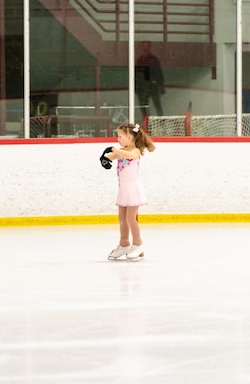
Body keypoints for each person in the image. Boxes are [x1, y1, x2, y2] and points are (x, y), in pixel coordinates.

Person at [102, 122, 156, 260]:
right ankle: (124, 243)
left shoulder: (135, 151)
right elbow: (109, 157)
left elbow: (129, 155)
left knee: (131, 218)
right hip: (123, 189)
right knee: (122, 218)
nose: (118, 139)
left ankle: (138, 244)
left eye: (120, 136)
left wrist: (116, 150)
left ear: (130, 138)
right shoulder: (121, 151)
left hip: (133, 189)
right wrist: (104, 157)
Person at [135, 41, 165, 117]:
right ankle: (146, 123)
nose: (145, 48)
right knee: (144, 107)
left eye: (147, 46)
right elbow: (137, 75)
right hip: (142, 87)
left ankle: (161, 122)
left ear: (150, 47)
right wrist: (137, 87)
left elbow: (158, 73)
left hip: (153, 86)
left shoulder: (154, 60)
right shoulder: (139, 61)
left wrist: (160, 85)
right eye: (144, 46)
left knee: (157, 105)